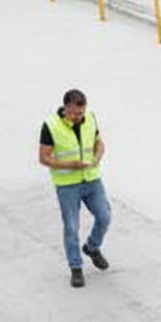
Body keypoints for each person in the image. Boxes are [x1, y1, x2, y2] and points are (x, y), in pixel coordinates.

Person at [39, 88, 111, 287]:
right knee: (71, 227)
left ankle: (92, 247)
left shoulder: (90, 118)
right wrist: (70, 165)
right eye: (74, 113)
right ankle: (76, 267)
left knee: (104, 216)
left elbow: (99, 143)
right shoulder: (51, 126)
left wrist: (97, 158)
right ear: (65, 108)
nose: (78, 117)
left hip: (91, 179)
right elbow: (44, 157)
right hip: (67, 185)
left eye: (81, 113)